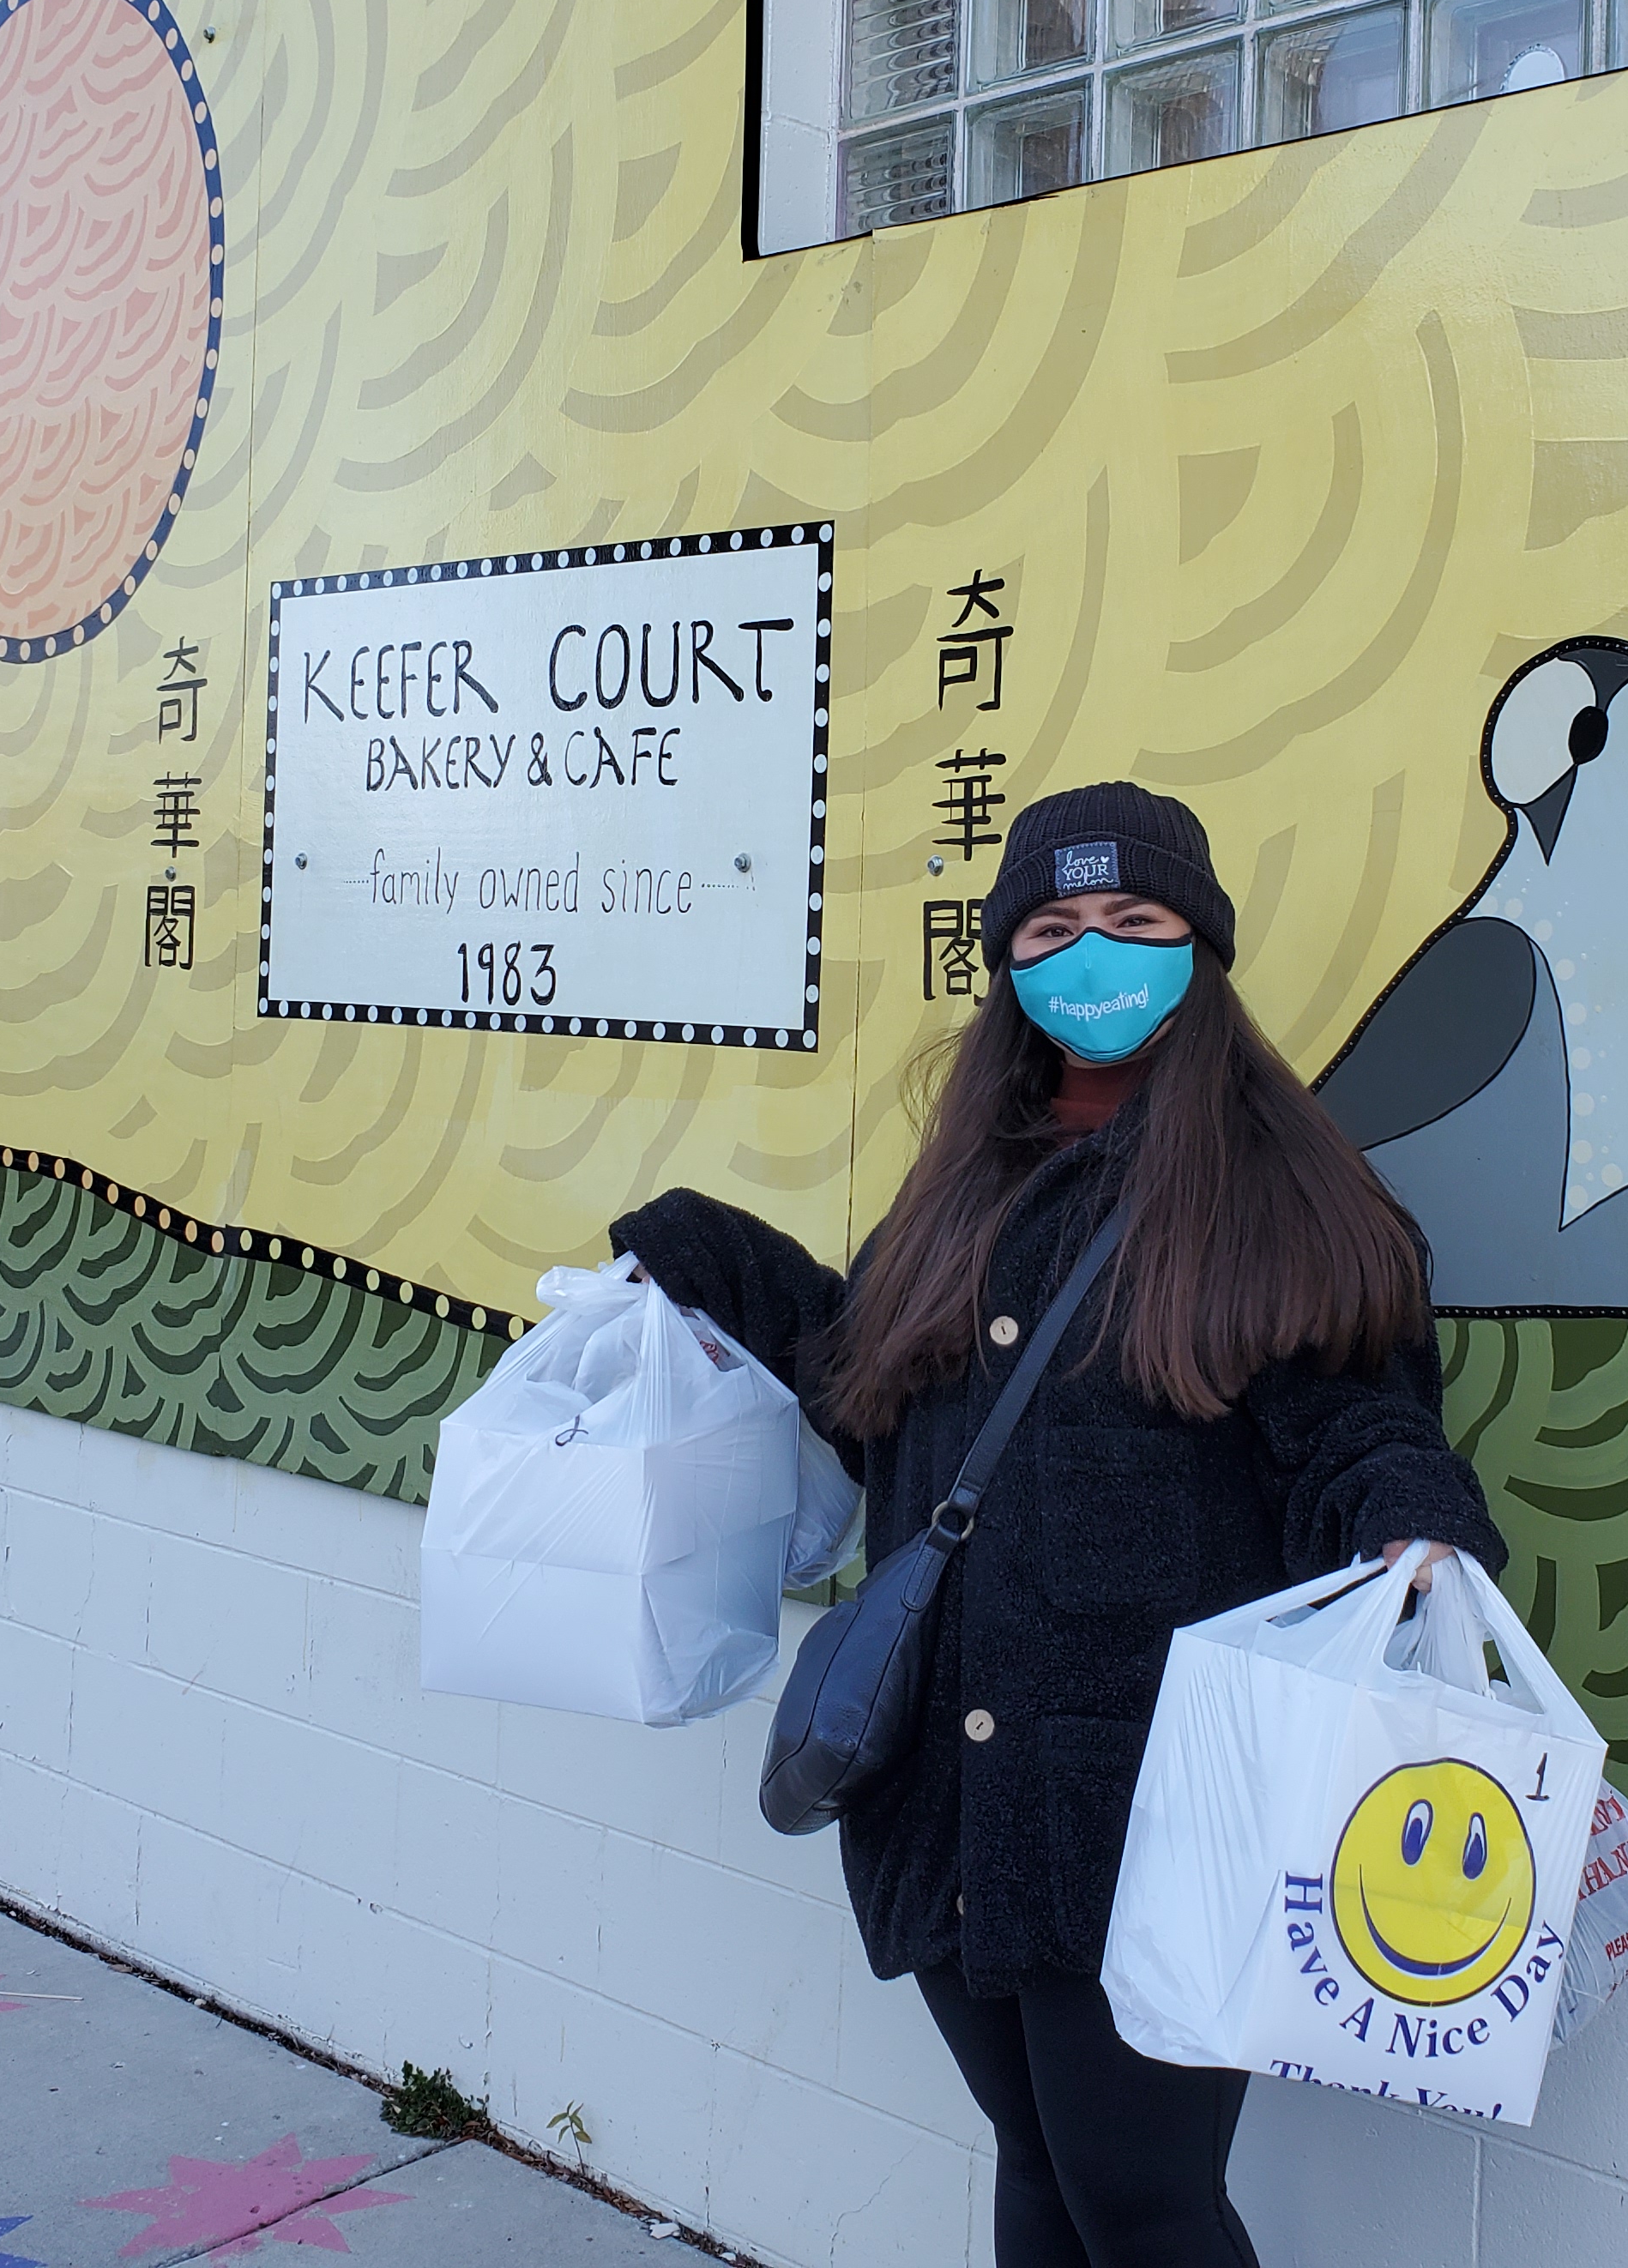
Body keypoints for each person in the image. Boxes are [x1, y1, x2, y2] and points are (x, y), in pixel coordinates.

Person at [611, 781, 1505, 2268]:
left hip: (1145, 1802)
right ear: (1010, 962)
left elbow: (1354, 1418)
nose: (1094, 955)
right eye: (1055, 926)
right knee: (1039, 2167)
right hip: (949, 1792)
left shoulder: (1282, 1195)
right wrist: (716, 1263)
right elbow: (868, 1392)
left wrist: (1412, 1520)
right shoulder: (970, 1176)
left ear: (1199, 952)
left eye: (1134, 923)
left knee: (1146, 2205)